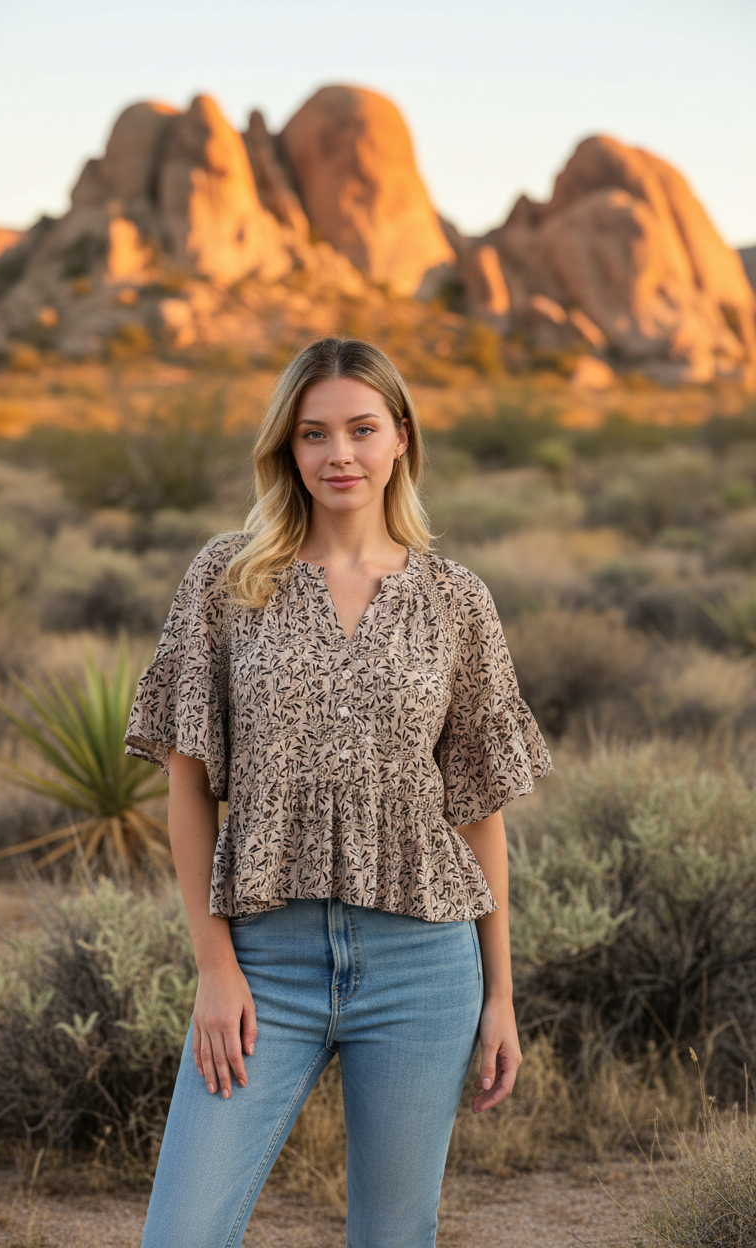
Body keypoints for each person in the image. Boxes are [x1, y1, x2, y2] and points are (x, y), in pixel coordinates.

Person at [123, 336, 554, 1247]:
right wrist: (213, 966)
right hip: (264, 965)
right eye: (313, 434)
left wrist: (501, 997)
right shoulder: (230, 578)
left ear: (400, 437)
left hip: (424, 966)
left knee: (393, 1237)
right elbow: (189, 785)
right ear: (288, 449)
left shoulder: (456, 600)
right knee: (182, 1232)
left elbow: (478, 811)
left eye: (362, 429)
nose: (339, 455)